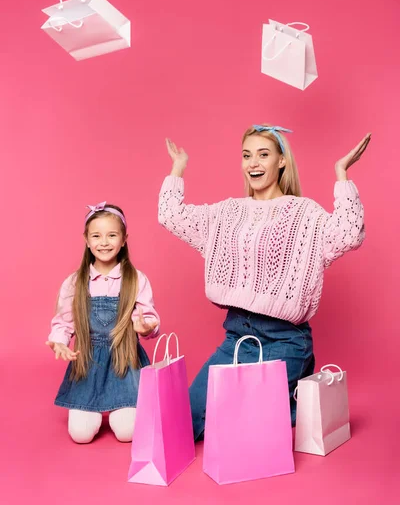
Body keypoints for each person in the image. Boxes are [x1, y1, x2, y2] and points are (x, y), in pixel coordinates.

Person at [158, 124, 370, 440]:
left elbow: (350, 233)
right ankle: (289, 402)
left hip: (285, 339)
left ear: (281, 161)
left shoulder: (305, 213)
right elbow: (170, 216)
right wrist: (178, 168)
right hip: (237, 336)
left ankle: (291, 400)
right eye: (247, 155)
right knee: (183, 425)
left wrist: (342, 174)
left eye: (263, 154)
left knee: (246, 435)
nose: (253, 163)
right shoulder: (228, 212)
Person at [46, 202, 159, 444]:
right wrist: (59, 342)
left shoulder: (136, 279)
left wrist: (147, 327)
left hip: (124, 362)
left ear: (124, 239)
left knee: (128, 433)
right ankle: (92, 409)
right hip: (89, 363)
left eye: (112, 235)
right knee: (81, 435)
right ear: (86, 240)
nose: (104, 242)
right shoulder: (75, 282)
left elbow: (148, 318)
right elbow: (64, 322)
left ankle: (122, 408)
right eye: (96, 236)